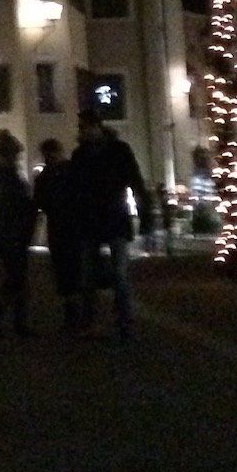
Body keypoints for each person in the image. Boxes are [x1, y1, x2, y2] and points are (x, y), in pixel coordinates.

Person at [69, 110, 153, 339]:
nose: (82, 131)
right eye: (81, 127)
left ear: (96, 126)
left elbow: (135, 181)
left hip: (110, 217)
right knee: (92, 275)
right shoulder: (86, 153)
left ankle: (123, 323)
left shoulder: (114, 151)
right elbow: (74, 190)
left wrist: (144, 213)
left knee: (117, 274)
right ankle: (101, 322)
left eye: (84, 127)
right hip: (96, 219)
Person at [0, 130, 38, 336]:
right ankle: (6, 321)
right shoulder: (5, 176)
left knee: (16, 278)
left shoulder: (0, 175)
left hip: (8, 231)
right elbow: (12, 204)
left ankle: (11, 321)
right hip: (11, 232)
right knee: (16, 278)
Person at [31, 137, 81, 330]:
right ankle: (76, 313)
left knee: (65, 270)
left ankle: (73, 313)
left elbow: (39, 203)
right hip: (70, 227)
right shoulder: (71, 171)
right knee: (70, 270)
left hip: (62, 227)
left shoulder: (47, 176)